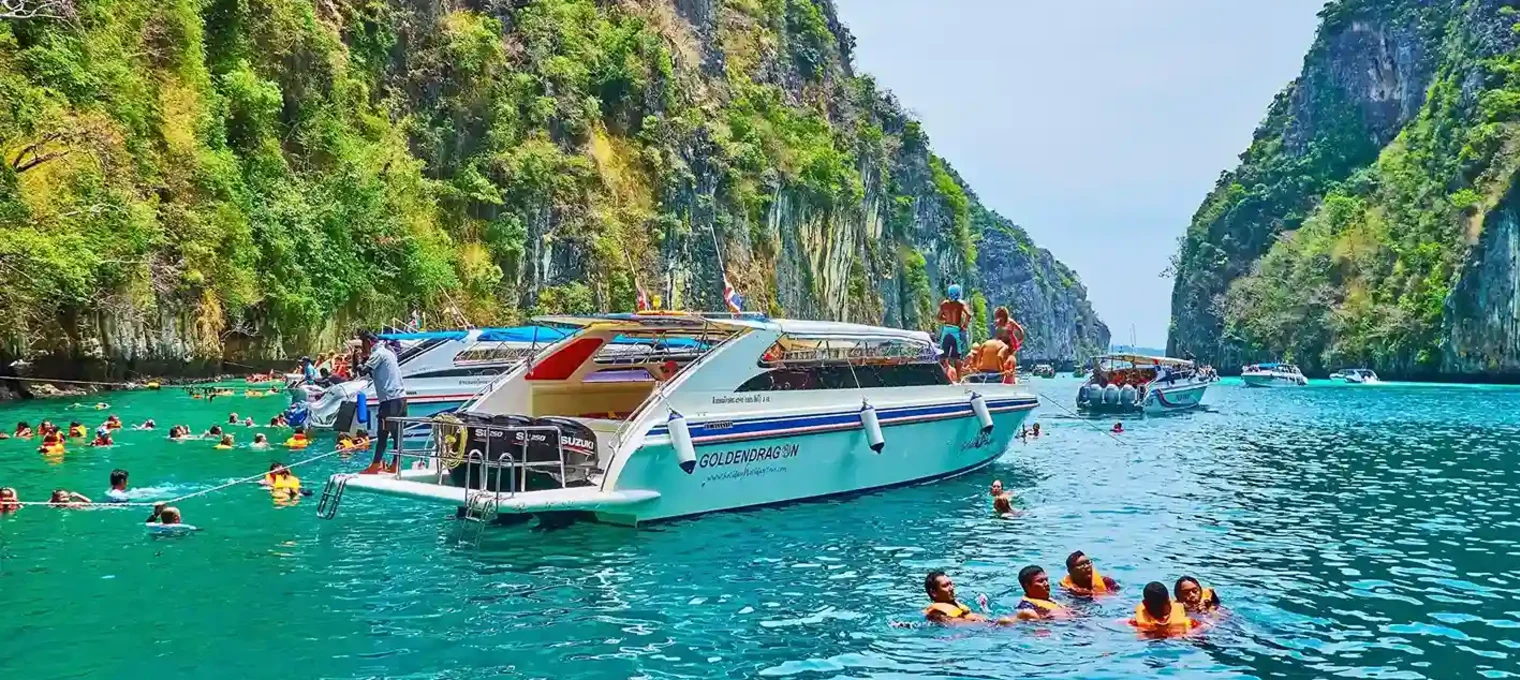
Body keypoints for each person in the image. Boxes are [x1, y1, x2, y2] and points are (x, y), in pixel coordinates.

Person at [357, 329, 406, 474]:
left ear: (368, 343)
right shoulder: (389, 353)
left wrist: (359, 360)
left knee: (382, 434)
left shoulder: (378, 354)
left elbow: (362, 372)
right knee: (397, 434)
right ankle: (395, 465)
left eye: (363, 345)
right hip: (401, 398)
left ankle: (376, 465)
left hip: (389, 400)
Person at [922, 571, 1012, 625]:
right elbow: (955, 624)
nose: (951, 588)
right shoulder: (935, 613)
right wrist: (992, 625)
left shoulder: (956, 604)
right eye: (945, 586)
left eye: (951, 584)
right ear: (934, 593)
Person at [1128, 581, 1201, 636]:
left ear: (1144, 603)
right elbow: (1207, 626)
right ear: (1168, 600)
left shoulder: (1133, 623)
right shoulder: (1191, 622)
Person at [936, 285, 971, 381]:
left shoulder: (944, 304)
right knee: (957, 356)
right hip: (956, 331)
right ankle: (959, 379)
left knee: (943, 355)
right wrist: (964, 326)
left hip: (946, 330)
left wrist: (946, 319)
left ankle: (942, 378)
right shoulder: (960, 304)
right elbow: (968, 314)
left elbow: (938, 317)